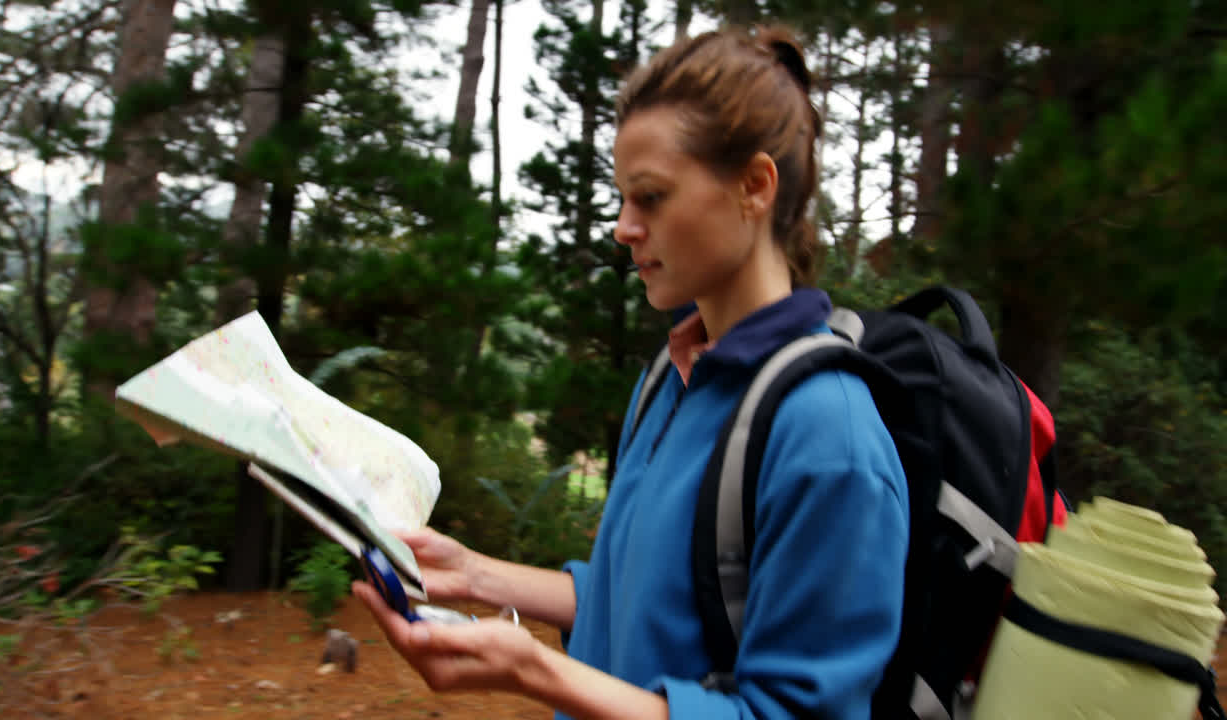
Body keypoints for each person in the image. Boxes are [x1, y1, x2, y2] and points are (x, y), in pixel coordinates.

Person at [353, 25, 909, 720]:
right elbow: (630, 593)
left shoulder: (831, 438)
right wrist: (475, 574)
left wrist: (539, 674)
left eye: (649, 197)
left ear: (754, 187)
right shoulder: (671, 378)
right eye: (622, 198)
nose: (623, 226)